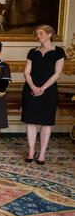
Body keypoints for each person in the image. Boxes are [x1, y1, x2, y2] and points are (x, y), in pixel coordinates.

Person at [22, 25, 66, 165]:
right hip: (31, 90)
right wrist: (34, 87)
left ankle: (42, 153)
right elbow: (26, 72)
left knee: (46, 123)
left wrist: (43, 88)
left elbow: (57, 73)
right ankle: (31, 150)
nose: (38, 36)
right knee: (31, 122)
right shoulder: (32, 52)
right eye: (36, 34)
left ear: (49, 34)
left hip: (49, 91)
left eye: (40, 33)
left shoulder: (58, 51)